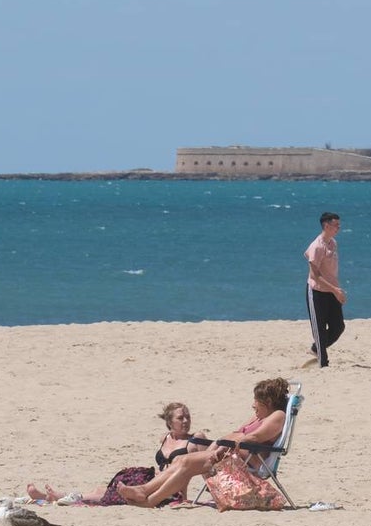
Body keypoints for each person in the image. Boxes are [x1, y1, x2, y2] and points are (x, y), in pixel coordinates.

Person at [119, 377, 291, 508]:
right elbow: (237, 433)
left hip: (249, 461)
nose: (254, 407)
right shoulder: (260, 415)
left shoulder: (278, 416)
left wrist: (225, 444)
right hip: (232, 453)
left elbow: (252, 438)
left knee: (186, 462)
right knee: (181, 461)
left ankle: (149, 499)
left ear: (268, 403)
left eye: (257, 404)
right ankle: (146, 493)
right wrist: (221, 443)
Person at [27, 402, 207, 505]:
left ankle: (58, 498)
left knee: (111, 495)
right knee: (103, 490)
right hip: (153, 479)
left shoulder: (196, 440)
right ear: (169, 422)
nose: (185, 421)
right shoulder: (165, 438)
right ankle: (51, 496)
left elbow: (207, 467)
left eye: (188, 417)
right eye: (180, 418)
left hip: (169, 490)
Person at [304, 212, 346, 367]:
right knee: (320, 330)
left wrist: (336, 290)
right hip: (316, 293)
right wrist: (335, 290)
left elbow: (330, 271)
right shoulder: (316, 246)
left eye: (339, 225)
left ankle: (316, 348)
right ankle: (323, 363)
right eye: (336, 225)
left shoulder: (333, 243)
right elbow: (314, 275)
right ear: (326, 226)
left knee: (338, 327)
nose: (339, 228)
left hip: (332, 291)